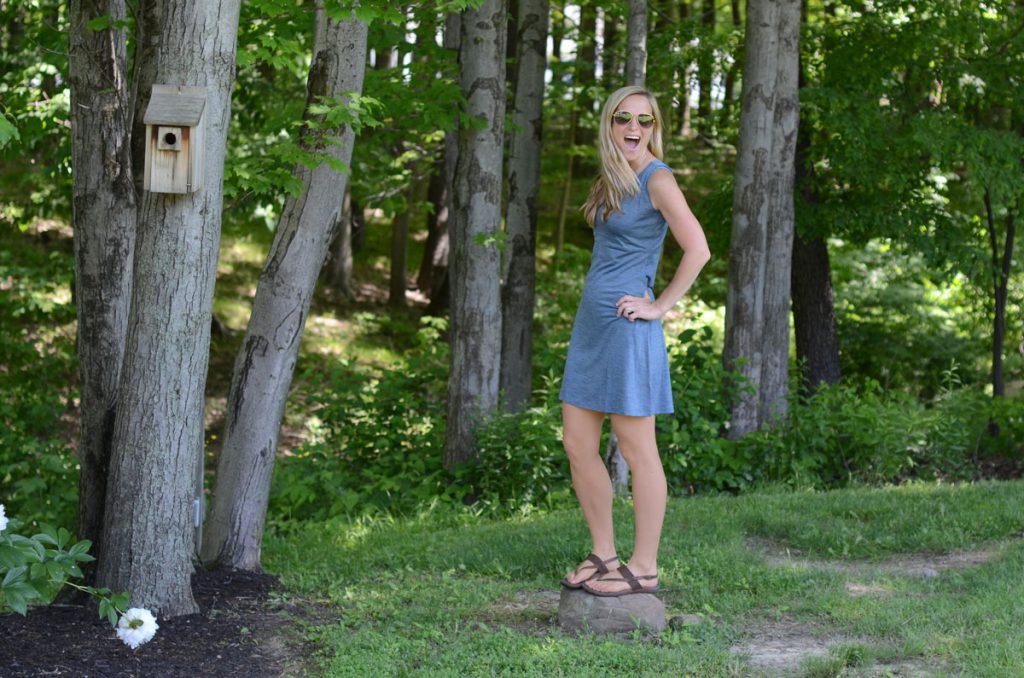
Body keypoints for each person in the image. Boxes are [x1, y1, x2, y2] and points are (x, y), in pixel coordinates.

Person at [559, 86, 710, 597]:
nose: (634, 128)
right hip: (593, 326)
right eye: (624, 117)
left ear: (654, 128)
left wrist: (659, 305)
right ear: (609, 123)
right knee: (577, 443)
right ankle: (603, 553)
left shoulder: (657, 178)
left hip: (628, 329)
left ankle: (644, 567)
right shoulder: (612, 176)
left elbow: (698, 249)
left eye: (645, 121)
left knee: (636, 447)